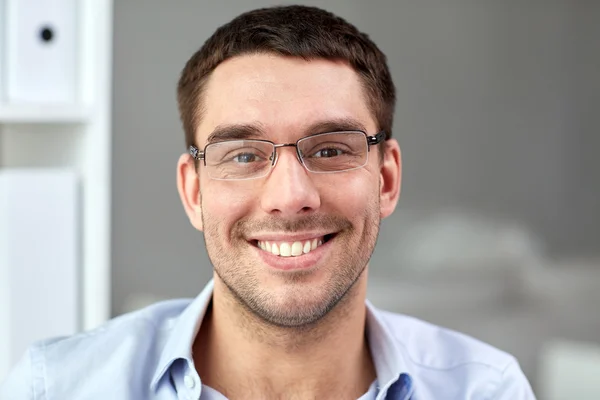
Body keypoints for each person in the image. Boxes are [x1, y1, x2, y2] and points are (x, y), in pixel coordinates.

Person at [0, 5, 536, 400]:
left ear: (387, 178)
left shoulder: (485, 390)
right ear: (193, 191)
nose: (290, 196)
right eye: (243, 155)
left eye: (329, 149)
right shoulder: (55, 389)